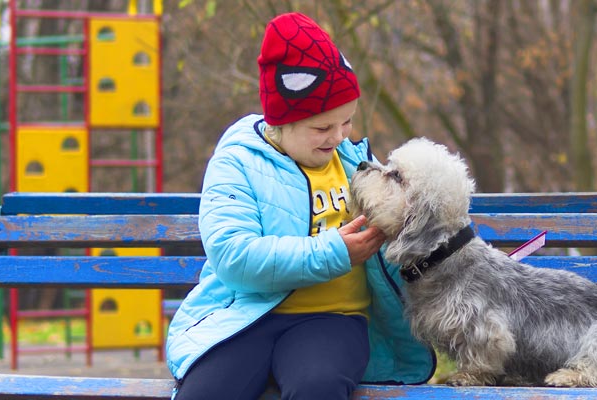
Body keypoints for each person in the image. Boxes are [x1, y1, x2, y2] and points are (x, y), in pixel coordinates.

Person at [165, 12, 435, 400]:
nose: (339, 137)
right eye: (322, 128)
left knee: (318, 386)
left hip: (335, 319)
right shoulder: (238, 161)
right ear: (280, 122)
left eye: (346, 122)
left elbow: (410, 228)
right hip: (246, 316)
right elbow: (232, 255)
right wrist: (334, 252)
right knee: (207, 392)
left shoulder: (354, 163)